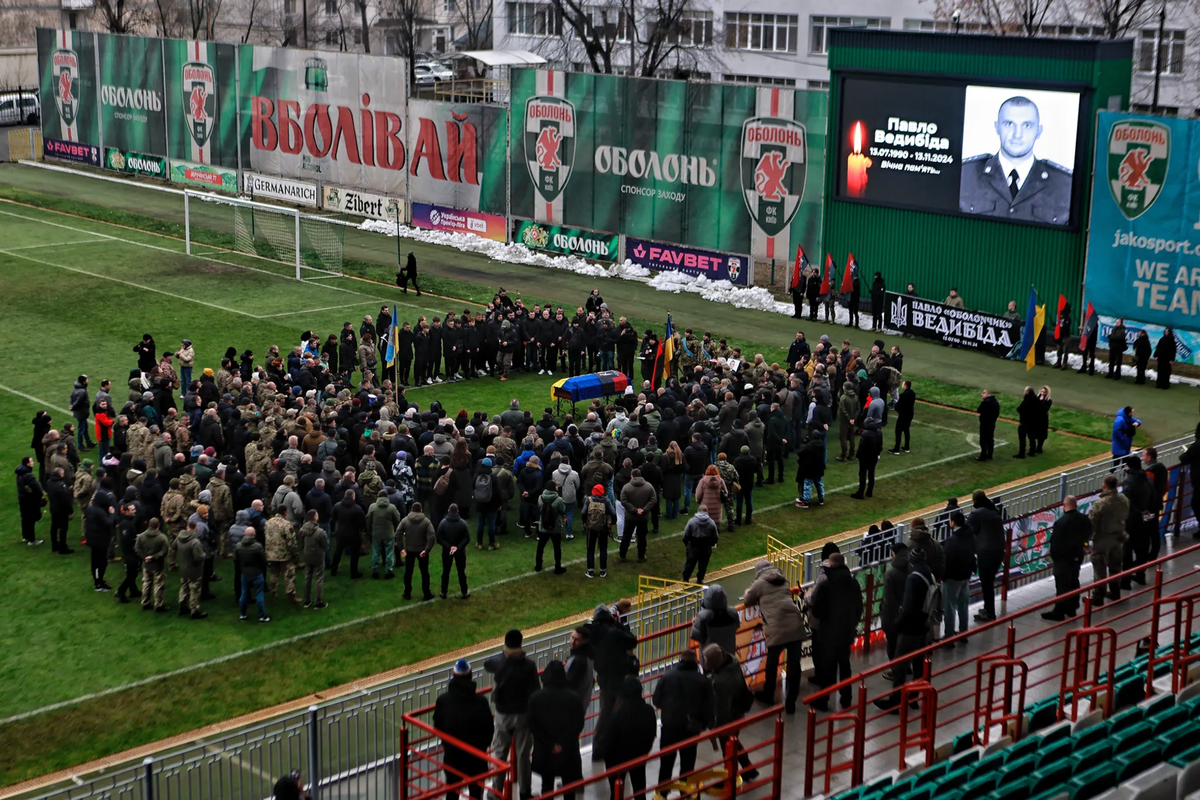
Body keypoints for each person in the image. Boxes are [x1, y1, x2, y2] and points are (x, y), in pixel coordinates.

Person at [959, 95, 1072, 223]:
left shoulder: (1065, 184)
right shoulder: (964, 174)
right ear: (997, 127)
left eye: (1027, 126)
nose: (1017, 134)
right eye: (1009, 124)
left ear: (1039, 131)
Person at [876, 547, 935, 710]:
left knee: (900, 665)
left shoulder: (913, 578)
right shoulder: (928, 573)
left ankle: (896, 700)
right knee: (918, 664)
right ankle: (914, 697)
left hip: (909, 628)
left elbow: (907, 608)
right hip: (922, 626)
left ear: (911, 561)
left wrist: (898, 624)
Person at [485, 629, 541, 800]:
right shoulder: (529, 665)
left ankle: (496, 791)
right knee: (523, 756)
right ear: (521, 643)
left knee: (500, 754)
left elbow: (487, 664)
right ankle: (524, 792)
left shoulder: (499, 663)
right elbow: (535, 691)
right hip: (523, 715)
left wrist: (505, 654)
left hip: (502, 715)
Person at [743, 560, 805, 713]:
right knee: (794, 664)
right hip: (795, 624)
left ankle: (768, 694)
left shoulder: (759, 584)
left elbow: (747, 600)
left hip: (776, 627)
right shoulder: (783, 580)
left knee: (772, 662)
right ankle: (791, 700)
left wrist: (747, 592)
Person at [433, 659, 495, 800]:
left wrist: (448, 745)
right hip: (476, 757)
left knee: (452, 792)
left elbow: (438, 726)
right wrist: (482, 748)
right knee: (475, 793)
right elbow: (489, 729)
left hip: (453, 757)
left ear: (454, 676)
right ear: (470, 676)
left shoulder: (443, 701)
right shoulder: (482, 702)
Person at [809, 552, 864, 710]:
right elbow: (859, 608)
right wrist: (852, 625)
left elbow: (817, 611)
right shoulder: (854, 583)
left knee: (828, 668)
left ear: (830, 565)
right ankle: (846, 698)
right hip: (846, 632)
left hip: (828, 634)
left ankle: (824, 700)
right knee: (845, 665)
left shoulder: (826, 585)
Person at [653, 649, 713, 789]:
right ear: (695, 662)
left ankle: (662, 794)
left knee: (666, 766)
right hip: (691, 729)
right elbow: (709, 707)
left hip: (669, 727)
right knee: (687, 766)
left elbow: (656, 700)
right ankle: (686, 795)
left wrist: (668, 710)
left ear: (681, 660)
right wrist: (703, 724)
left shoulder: (667, 676)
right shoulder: (703, 681)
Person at [527, 660, 585, 800]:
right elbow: (578, 724)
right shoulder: (574, 698)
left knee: (546, 785)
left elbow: (532, 724)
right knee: (569, 787)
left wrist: (551, 744)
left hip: (545, 751)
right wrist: (562, 744)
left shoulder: (535, 698)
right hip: (568, 751)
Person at [596, 676, 657, 799]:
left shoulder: (617, 716)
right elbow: (651, 734)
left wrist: (602, 753)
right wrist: (644, 752)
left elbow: (609, 741)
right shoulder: (649, 711)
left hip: (618, 762)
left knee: (617, 793)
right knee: (640, 791)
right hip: (639, 757)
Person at [703, 644, 759, 778]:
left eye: (706, 660)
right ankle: (748, 769)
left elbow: (722, 712)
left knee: (727, 747)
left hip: (730, 717)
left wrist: (715, 730)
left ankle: (730, 776)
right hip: (739, 710)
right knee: (733, 742)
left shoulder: (721, 684)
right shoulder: (732, 661)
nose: (704, 662)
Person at [1041, 496, 1091, 621]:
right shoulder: (1084, 519)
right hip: (1077, 555)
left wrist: (1055, 557)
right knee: (1074, 581)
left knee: (1062, 585)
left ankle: (1059, 611)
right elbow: (1088, 533)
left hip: (1063, 559)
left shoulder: (1061, 523)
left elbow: (1055, 544)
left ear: (1065, 505)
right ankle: (1072, 608)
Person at [1088, 474, 1130, 605]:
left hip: (1102, 539)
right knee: (1115, 566)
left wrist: (1087, 539)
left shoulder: (1100, 504)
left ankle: (1098, 597)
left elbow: (1092, 524)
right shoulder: (1123, 499)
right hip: (1118, 537)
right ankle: (1115, 592)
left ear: (1104, 485)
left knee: (1100, 568)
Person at [968, 490, 1005, 623]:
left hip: (986, 553)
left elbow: (968, 531)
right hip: (998, 551)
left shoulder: (976, 514)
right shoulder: (994, 511)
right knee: (988, 582)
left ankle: (989, 613)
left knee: (986, 583)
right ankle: (988, 610)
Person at [941, 512, 975, 642]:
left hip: (952, 578)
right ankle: (963, 633)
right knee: (962, 605)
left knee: (949, 607)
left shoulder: (952, 540)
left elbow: (947, 560)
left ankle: (949, 636)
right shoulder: (970, 535)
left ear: (953, 522)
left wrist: (944, 576)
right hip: (966, 575)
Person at [1121, 455, 1153, 587]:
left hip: (1132, 521)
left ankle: (1126, 581)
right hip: (1145, 519)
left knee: (1127, 551)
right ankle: (1141, 575)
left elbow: (1127, 502)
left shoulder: (1129, 481)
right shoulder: (1148, 479)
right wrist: (1146, 512)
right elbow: (1154, 497)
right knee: (1142, 549)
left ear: (1128, 466)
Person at [399, 501, 436, 601]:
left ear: (411, 510)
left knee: (408, 572)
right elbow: (432, 537)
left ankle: (407, 593)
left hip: (409, 550)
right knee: (424, 573)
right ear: (421, 510)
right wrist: (427, 549)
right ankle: (426, 593)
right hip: (422, 551)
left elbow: (397, 534)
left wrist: (401, 548)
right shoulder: (426, 522)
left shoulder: (405, 520)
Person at [880, 542, 909, 662]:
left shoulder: (890, 573)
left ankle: (895, 669)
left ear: (894, 553)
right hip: (909, 613)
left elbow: (889, 598)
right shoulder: (912, 567)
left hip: (893, 616)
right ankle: (905, 666)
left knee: (892, 642)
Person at [690, 584, 739, 655]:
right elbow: (736, 626)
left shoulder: (703, 616)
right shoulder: (732, 612)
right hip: (729, 653)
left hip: (710, 656)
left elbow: (696, 635)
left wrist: (695, 623)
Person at [366, 490, 403, 580]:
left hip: (376, 533)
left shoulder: (372, 507)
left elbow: (368, 520)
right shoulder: (392, 507)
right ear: (387, 497)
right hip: (389, 533)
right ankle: (389, 571)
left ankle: (375, 571)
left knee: (376, 553)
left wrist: (369, 531)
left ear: (378, 496)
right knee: (389, 553)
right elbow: (398, 519)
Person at [236, 527, 270, 622]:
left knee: (244, 593)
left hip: (245, 573)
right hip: (256, 573)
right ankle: (262, 616)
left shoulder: (238, 546)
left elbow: (236, 558)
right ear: (254, 535)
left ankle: (243, 614)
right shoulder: (257, 546)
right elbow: (264, 560)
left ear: (244, 535)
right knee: (259, 594)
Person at [330, 488, 366, 579]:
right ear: (353, 497)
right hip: (354, 533)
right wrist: (362, 531)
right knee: (355, 554)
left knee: (338, 551)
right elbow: (363, 522)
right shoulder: (357, 509)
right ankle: (354, 573)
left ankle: (333, 570)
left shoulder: (337, 506)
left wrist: (333, 529)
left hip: (341, 532)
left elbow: (332, 518)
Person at [437, 502, 471, 599]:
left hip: (447, 552)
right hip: (460, 552)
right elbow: (467, 538)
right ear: (457, 511)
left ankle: (443, 592)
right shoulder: (462, 523)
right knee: (461, 572)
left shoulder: (443, 523)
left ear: (448, 511)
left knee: (446, 572)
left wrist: (449, 547)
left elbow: (439, 538)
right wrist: (457, 547)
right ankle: (464, 592)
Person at [135, 518, 170, 612]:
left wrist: (145, 557)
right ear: (158, 526)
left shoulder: (141, 537)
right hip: (158, 565)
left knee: (146, 583)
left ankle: (145, 602)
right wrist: (154, 557)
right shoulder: (162, 537)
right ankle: (158, 605)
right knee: (158, 584)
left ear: (149, 525)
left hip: (146, 565)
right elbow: (164, 551)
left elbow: (137, 549)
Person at [176, 520, 208, 618]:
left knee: (184, 587)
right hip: (194, 570)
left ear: (187, 527)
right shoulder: (195, 542)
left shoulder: (179, 538)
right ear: (196, 529)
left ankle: (182, 605)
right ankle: (195, 611)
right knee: (194, 590)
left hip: (183, 568)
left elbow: (173, 547)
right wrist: (204, 554)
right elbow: (198, 557)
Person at [298, 510, 328, 609]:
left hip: (307, 555)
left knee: (308, 577)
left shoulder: (302, 530)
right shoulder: (320, 532)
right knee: (319, 578)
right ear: (315, 518)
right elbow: (325, 544)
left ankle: (307, 600)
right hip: (318, 556)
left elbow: (300, 542)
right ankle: (318, 602)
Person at [681, 508, 719, 583]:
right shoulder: (711, 522)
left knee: (690, 563)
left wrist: (686, 542)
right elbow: (715, 536)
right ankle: (700, 579)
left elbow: (686, 534)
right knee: (703, 564)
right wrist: (712, 543)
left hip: (694, 545)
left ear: (698, 511)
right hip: (706, 546)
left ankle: (685, 579)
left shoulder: (692, 521)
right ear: (707, 511)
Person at [16, 457, 45, 547]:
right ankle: (32, 540)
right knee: (31, 519)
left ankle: (26, 536)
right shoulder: (29, 475)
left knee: (25, 519)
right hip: (30, 500)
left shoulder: (20, 473)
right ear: (27, 464)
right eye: (31, 461)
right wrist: (41, 495)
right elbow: (37, 488)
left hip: (23, 499)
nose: (33, 462)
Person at [888, 380, 915, 455]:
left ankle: (896, 449)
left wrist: (898, 410)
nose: (902, 385)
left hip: (903, 415)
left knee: (898, 431)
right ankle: (907, 447)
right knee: (906, 430)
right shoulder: (913, 393)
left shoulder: (903, 395)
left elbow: (898, 406)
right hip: (910, 414)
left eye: (903, 384)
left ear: (906, 386)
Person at [69, 375, 95, 450]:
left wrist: (71, 404)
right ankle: (80, 445)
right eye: (87, 380)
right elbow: (78, 401)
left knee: (85, 427)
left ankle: (88, 442)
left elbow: (71, 396)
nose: (88, 381)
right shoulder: (82, 391)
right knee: (81, 429)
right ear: (84, 381)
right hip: (82, 413)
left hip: (79, 412)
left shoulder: (76, 388)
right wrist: (73, 406)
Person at [1013, 386, 1038, 459]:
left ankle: (1021, 454)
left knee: (1022, 438)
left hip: (1025, 422)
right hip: (1033, 422)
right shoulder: (1036, 399)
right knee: (1032, 437)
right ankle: (1032, 452)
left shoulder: (1026, 400)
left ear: (1027, 392)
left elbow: (1020, 409)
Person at [975, 389, 999, 462]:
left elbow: (979, 410)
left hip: (985, 424)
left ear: (988, 394)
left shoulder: (986, 402)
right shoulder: (996, 402)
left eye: (983, 393)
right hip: (992, 423)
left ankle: (983, 456)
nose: (982, 394)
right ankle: (989, 454)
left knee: (983, 440)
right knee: (990, 439)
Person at [1053, 302, 1073, 370]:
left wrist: (1062, 330)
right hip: (1060, 335)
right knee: (1059, 350)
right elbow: (1058, 324)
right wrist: (1055, 326)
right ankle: (1058, 362)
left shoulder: (1068, 318)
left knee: (1065, 350)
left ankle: (1064, 364)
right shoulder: (1060, 316)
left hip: (1065, 336)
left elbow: (1067, 325)